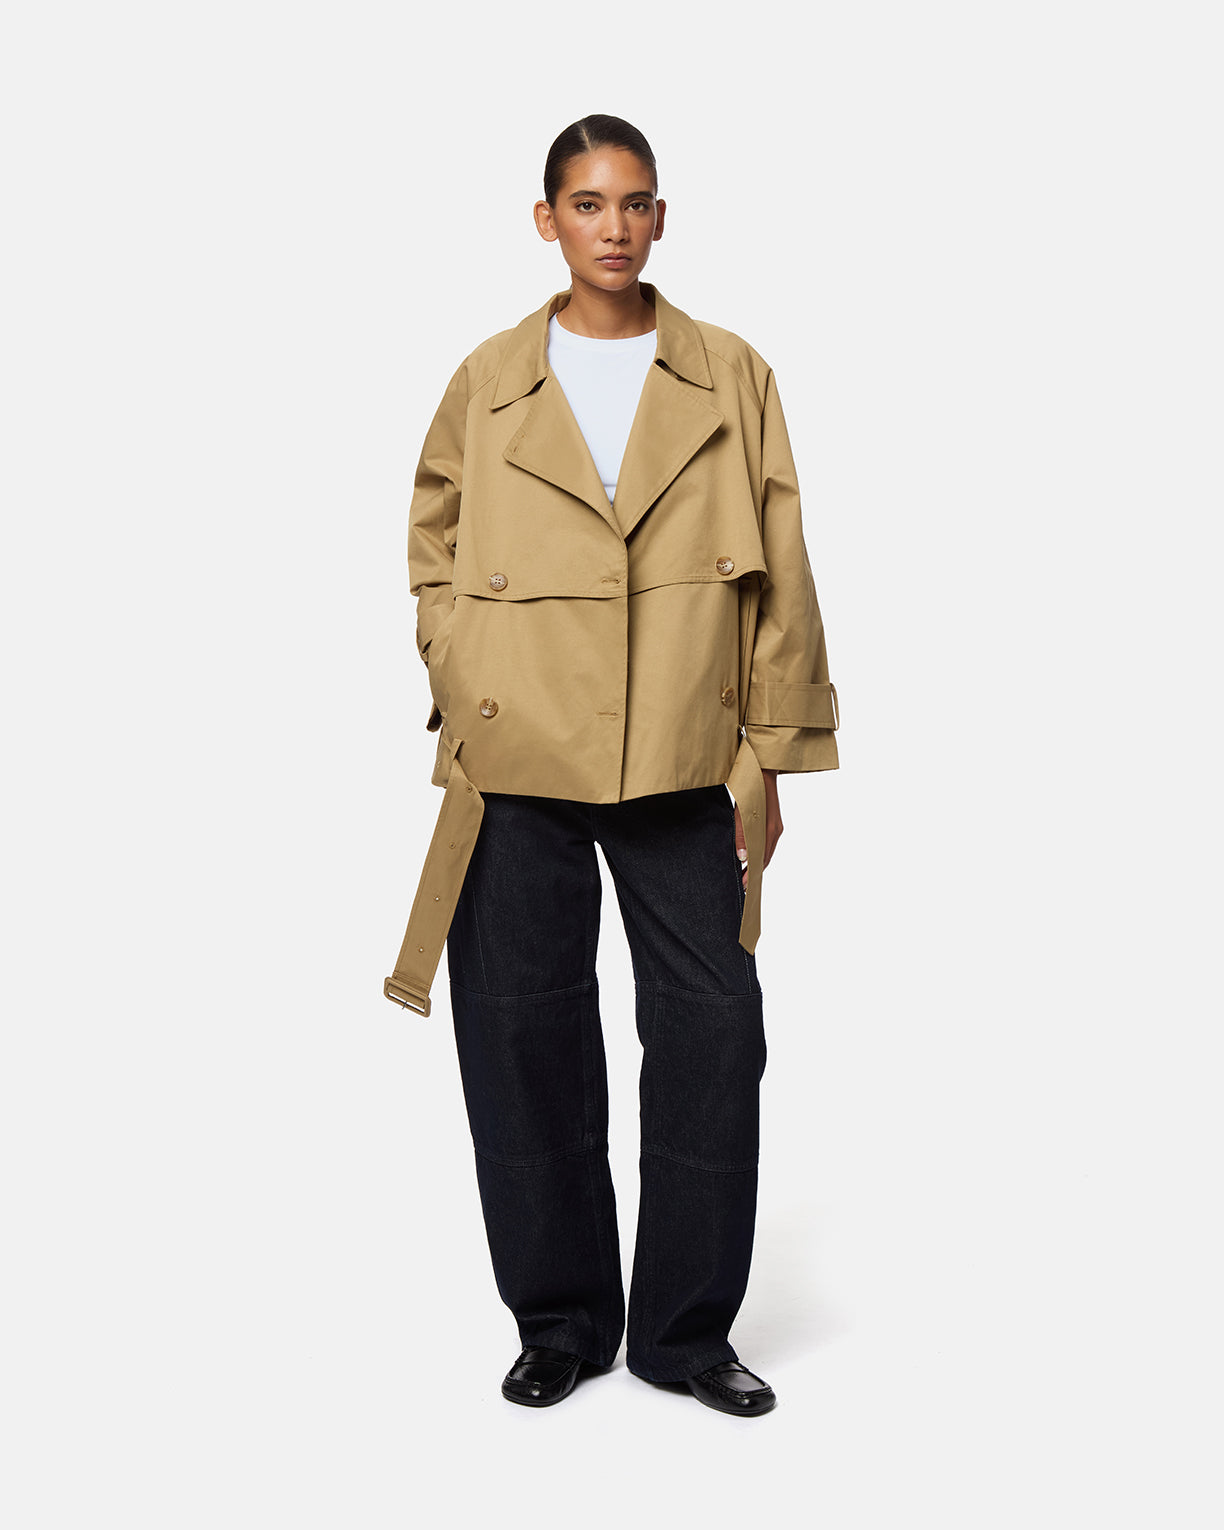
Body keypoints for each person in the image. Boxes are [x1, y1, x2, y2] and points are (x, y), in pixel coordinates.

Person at [384, 115, 840, 1417]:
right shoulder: (488, 379)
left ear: (661, 216)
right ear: (548, 221)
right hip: (517, 749)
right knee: (521, 1037)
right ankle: (561, 1321)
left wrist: (770, 755)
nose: (614, 226)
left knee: (713, 1031)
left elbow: (784, 564)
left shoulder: (732, 372)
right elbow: (431, 541)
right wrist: (460, 669)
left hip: (687, 749)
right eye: (588, 204)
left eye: (635, 202)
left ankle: (686, 1335)